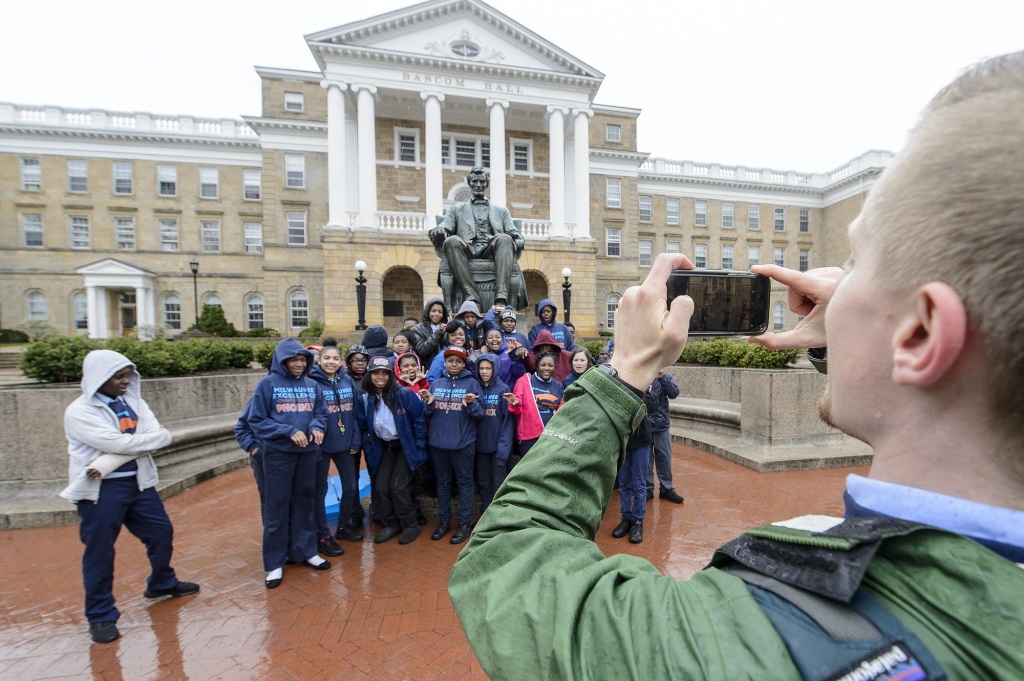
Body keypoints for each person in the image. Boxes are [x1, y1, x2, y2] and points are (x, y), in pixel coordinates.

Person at [449, 52, 1024, 679]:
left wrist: (624, 373)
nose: (828, 284)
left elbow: (508, 560)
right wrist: (862, 340)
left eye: (854, 265)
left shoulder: (741, 638)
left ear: (918, 334)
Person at [61, 349, 199, 644]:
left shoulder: (132, 402)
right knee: (100, 552)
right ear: (99, 378)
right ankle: (100, 615)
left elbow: (161, 436)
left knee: (161, 533)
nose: (125, 382)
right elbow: (117, 442)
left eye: (127, 376)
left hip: (139, 484)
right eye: (118, 377)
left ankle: (162, 582)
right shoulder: (79, 411)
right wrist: (136, 444)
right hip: (101, 491)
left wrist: (125, 448)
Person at [246, 338, 330, 589]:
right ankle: (274, 563)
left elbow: (321, 413)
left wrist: (316, 427)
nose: (298, 364)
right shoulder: (267, 385)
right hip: (279, 455)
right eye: (293, 359)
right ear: (282, 361)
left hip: (307, 454)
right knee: (276, 508)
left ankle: (306, 551)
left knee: (305, 502)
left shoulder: (312, 384)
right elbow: (256, 419)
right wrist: (287, 430)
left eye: (302, 359)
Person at [429, 166, 525, 311]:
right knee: (451, 241)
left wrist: (511, 242)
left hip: (491, 249)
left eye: (481, 181)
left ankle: (501, 298)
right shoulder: (456, 210)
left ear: (486, 184)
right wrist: (439, 230)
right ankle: (471, 296)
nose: (478, 185)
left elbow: (518, 237)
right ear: (470, 184)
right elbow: (444, 227)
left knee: (505, 239)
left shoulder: (501, 211)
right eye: (475, 182)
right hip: (467, 249)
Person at [355, 356, 428, 545]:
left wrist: (419, 448)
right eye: (376, 373)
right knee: (380, 487)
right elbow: (363, 425)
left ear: (391, 375)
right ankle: (392, 523)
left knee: (398, 486)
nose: (380, 377)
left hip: (405, 446)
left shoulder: (403, 394)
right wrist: (369, 445)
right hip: (385, 447)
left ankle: (411, 524)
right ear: (369, 375)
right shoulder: (366, 398)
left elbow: (419, 421)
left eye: (385, 373)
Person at [422, 346, 484, 544]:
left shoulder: (472, 384)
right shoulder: (437, 383)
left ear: (464, 363)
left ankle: (464, 524)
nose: (454, 364)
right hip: (438, 443)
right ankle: (443, 521)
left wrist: (471, 404)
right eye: (450, 361)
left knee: (465, 484)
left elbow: (479, 414)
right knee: (443, 483)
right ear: (445, 363)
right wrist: (430, 402)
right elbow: (428, 413)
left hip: (463, 443)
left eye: (458, 361)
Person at [308, 340, 362, 553]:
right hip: (321, 446)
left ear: (341, 361)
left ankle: (343, 526)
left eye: (335, 358)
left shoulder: (347, 381)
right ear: (319, 360)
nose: (331, 362)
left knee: (350, 487)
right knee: (319, 490)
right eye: (327, 358)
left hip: (344, 444)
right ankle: (322, 534)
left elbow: (356, 413)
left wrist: (355, 439)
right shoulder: (312, 383)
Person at [471, 352, 518, 513]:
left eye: (488, 368)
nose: (484, 371)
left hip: (498, 449)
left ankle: (499, 517)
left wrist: (503, 450)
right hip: (480, 447)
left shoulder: (503, 389)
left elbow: (507, 423)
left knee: (499, 485)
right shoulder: (475, 388)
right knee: (483, 483)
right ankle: (485, 515)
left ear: (495, 369)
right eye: (481, 368)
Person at [610, 396, 653, 544]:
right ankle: (626, 517)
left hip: (641, 441)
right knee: (624, 483)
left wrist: (647, 392)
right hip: (623, 440)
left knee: (639, 483)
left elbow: (653, 407)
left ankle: (637, 521)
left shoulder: (645, 387)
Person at [509, 351, 563, 456]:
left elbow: (561, 411)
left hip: (550, 437)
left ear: (555, 367)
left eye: (550, 365)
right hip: (528, 438)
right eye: (543, 365)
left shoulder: (559, 386)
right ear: (537, 366)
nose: (546, 368)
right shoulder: (524, 382)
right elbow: (515, 409)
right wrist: (515, 403)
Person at [645, 369, 684, 503]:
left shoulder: (663, 376)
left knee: (664, 457)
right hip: (644, 425)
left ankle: (667, 488)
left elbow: (674, 393)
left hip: (661, 425)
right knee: (646, 459)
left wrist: (662, 377)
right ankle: (647, 488)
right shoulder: (640, 375)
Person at [408, 297, 450, 369]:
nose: (436, 314)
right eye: (433, 311)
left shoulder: (447, 327)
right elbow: (422, 351)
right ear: (428, 312)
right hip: (428, 368)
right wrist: (438, 333)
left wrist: (450, 329)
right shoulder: (417, 329)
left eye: (440, 312)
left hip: (447, 367)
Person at [425, 319, 473, 383]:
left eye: (461, 334)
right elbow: (431, 379)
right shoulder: (441, 356)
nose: (458, 337)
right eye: (453, 335)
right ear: (447, 338)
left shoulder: (471, 353)